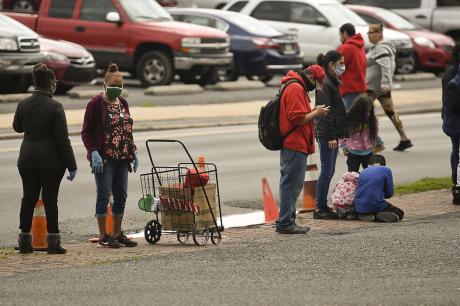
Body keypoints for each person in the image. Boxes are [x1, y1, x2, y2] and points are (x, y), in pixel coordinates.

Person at [13, 63, 77, 254]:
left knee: (28, 198)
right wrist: (71, 165)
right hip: (51, 163)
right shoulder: (56, 107)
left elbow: (18, 127)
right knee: (50, 200)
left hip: (27, 159)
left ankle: (25, 240)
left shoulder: (23, 103)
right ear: (51, 84)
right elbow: (62, 140)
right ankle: (53, 242)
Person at [81, 63, 139, 247]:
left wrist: (133, 151)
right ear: (105, 84)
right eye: (114, 85)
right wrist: (93, 152)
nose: (117, 88)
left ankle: (116, 234)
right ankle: (103, 236)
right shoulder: (95, 103)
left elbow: (126, 129)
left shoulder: (123, 102)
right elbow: (86, 132)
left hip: (123, 158)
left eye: (120, 85)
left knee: (121, 196)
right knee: (104, 196)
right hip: (104, 159)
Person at [275, 65, 329, 234]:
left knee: (291, 184)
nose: (315, 86)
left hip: (295, 143)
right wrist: (316, 113)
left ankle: (288, 220)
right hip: (294, 143)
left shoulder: (293, 85)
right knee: (291, 184)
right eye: (316, 82)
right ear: (310, 77)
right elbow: (297, 119)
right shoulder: (296, 88)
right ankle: (285, 222)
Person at [366, 23, 413, 152]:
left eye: (371, 33)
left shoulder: (381, 48)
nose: (368, 35)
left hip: (374, 88)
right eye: (368, 33)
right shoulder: (378, 47)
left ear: (379, 34)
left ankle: (375, 142)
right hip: (380, 87)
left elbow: (386, 66)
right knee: (391, 112)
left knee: (365, 113)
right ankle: (404, 138)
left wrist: (385, 82)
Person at [314, 50, 348, 220]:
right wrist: (331, 136)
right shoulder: (326, 83)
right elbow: (325, 112)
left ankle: (321, 205)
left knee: (329, 169)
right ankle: (320, 207)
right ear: (331, 65)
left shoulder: (331, 81)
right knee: (327, 170)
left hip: (331, 132)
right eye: (340, 63)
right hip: (327, 134)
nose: (343, 66)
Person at [354, 154, 404, 222]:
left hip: (358, 206)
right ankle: (377, 216)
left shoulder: (363, 171)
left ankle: (364, 215)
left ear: (369, 164)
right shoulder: (386, 170)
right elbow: (389, 193)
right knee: (399, 213)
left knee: (372, 204)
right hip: (376, 204)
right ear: (384, 165)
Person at [441, 44, 460, 204]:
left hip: (450, 119)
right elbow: (452, 101)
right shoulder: (454, 72)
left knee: (456, 152)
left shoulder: (449, 70)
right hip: (455, 121)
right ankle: (457, 187)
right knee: (458, 154)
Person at [341, 96, 378, 172]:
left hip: (368, 153)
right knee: (352, 176)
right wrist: (343, 146)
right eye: (366, 111)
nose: (368, 113)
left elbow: (374, 131)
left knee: (371, 174)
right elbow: (342, 133)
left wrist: (374, 142)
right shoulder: (350, 119)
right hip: (353, 153)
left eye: (370, 111)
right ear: (359, 109)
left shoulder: (371, 118)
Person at [338, 23, 367, 111]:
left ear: (345, 33)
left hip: (350, 88)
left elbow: (337, 68)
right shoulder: (360, 46)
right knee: (359, 118)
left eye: (340, 35)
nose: (340, 38)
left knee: (348, 118)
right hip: (360, 87)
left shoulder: (346, 47)